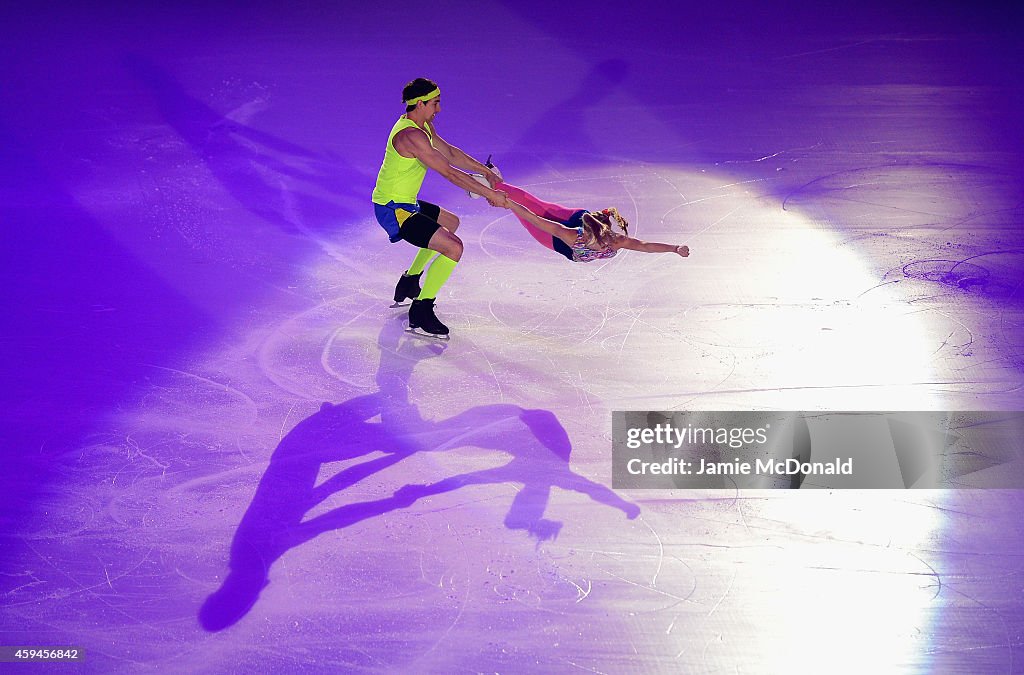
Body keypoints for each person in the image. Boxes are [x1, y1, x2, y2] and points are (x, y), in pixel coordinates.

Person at [371, 77, 508, 338]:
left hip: (406, 202)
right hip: (393, 209)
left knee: (451, 223)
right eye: (435, 103)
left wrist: (485, 171)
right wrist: (490, 194)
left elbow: (450, 154)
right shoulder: (411, 135)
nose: (439, 109)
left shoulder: (423, 127)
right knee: (453, 247)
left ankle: (410, 280)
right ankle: (421, 311)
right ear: (420, 103)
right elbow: (449, 172)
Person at [490, 181, 690, 262]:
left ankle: (495, 185)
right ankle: (491, 181)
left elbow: (645, 246)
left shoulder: (615, 240)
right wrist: (506, 203)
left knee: (532, 212)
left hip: (567, 239)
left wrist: (675, 248)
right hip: (565, 231)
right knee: (533, 207)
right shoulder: (571, 235)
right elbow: (532, 217)